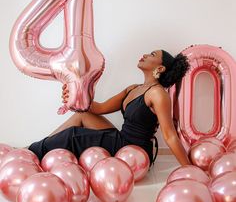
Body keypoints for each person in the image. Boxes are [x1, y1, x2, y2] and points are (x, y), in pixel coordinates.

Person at [28, 49, 191, 166]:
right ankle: (38, 148)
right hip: (122, 138)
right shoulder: (133, 88)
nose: (146, 54)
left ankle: (30, 153)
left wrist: (189, 169)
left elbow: (170, 135)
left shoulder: (158, 94)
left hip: (134, 151)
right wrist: (75, 97)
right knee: (81, 115)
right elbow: (98, 108)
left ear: (160, 69)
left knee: (73, 135)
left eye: (153, 55)